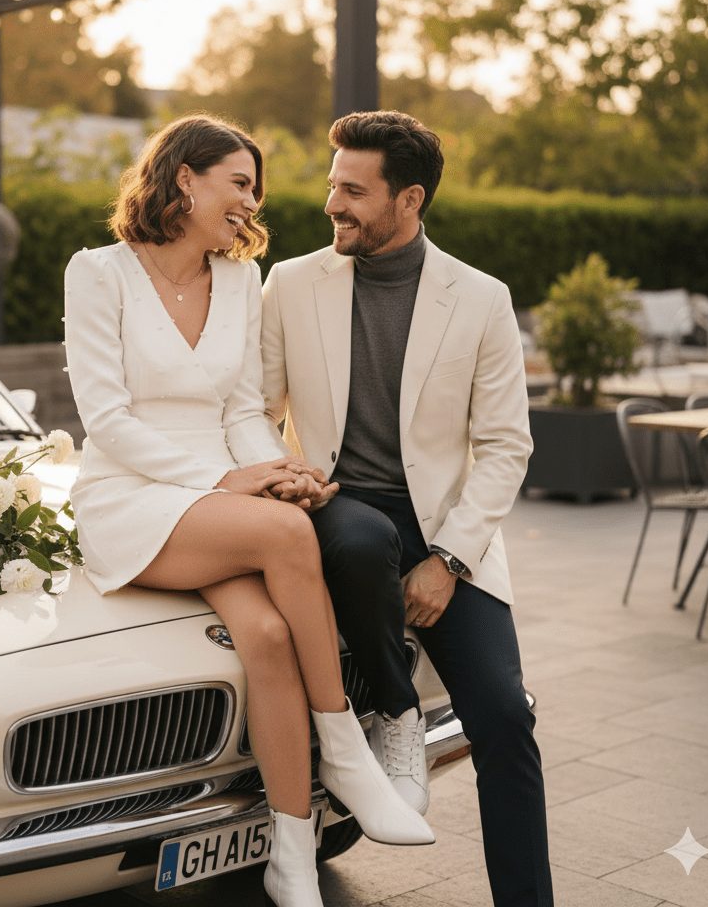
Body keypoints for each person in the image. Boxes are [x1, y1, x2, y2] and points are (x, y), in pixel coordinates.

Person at [62, 114, 433, 907]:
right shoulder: (98, 273)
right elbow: (107, 419)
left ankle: (291, 855)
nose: (250, 202)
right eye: (238, 184)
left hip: (216, 498)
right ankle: (346, 752)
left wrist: (275, 467)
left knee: (266, 635)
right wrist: (232, 486)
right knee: (286, 530)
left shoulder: (238, 281)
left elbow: (239, 410)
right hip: (129, 495)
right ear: (184, 178)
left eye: (254, 191)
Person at [259, 111, 553, 907]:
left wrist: (449, 560)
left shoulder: (482, 298)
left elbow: (504, 446)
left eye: (354, 191)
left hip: (447, 530)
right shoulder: (289, 283)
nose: (333, 205)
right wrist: (288, 474)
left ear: (409, 199)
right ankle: (394, 716)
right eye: (332, 186)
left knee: (503, 717)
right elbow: (254, 407)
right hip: (335, 506)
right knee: (359, 538)